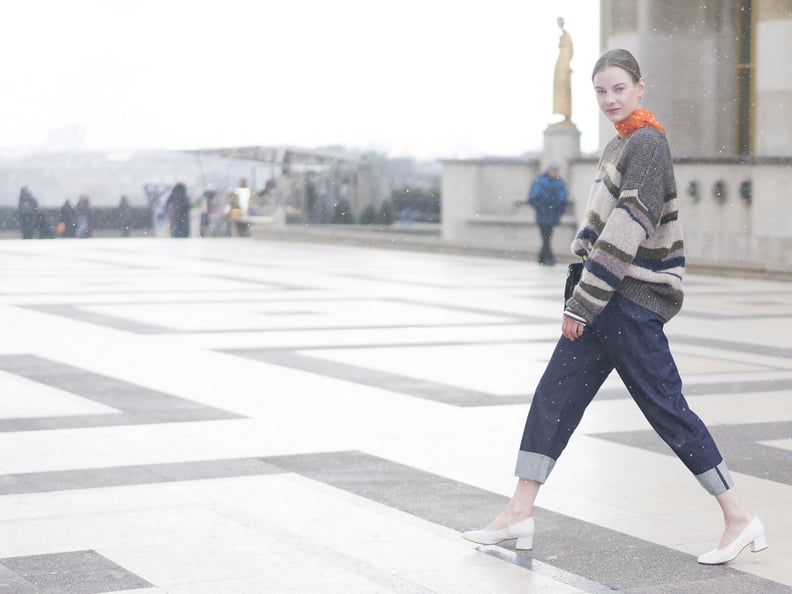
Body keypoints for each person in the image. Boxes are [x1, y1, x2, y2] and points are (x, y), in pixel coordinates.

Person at [462, 48, 765, 566]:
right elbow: (599, 228)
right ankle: (519, 512)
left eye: (619, 89)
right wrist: (583, 293)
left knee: (666, 408)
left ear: (640, 86)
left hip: (626, 302)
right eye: (601, 91)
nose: (609, 100)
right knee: (553, 397)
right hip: (604, 302)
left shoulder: (647, 143)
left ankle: (739, 518)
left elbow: (627, 229)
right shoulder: (619, 143)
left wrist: (583, 303)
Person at [527, 163, 568, 266]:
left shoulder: (559, 182)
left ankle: (542, 258)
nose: (554, 172)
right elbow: (532, 196)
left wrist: (560, 209)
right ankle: (549, 258)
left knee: (547, 236)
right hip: (543, 213)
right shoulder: (540, 181)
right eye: (552, 170)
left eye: (556, 170)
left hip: (553, 214)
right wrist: (540, 207)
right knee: (545, 236)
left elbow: (563, 197)